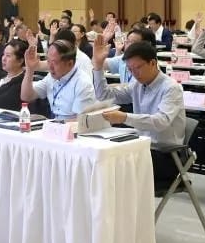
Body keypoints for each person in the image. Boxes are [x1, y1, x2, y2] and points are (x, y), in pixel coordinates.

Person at [91, 35, 186, 195]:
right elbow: (104, 95)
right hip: (142, 147)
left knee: (112, 168)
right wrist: (98, 67)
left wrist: (124, 117)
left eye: (138, 68)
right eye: (130, 70)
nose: (134, 73)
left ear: (153, 63)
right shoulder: (137, 84)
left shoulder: (171, 88)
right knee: (102, 163)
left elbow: (160, 121)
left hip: (165, 155)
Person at [20, 38, 94, 119]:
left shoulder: (83, 83)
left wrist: (52, 124)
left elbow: (79, 121)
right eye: (48, 61)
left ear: (70, 63)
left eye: (54, 63)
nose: (50, 67)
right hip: (54, 123)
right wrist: (30, 69)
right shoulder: (51, 77)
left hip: (71, 125)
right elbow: (26, 96)